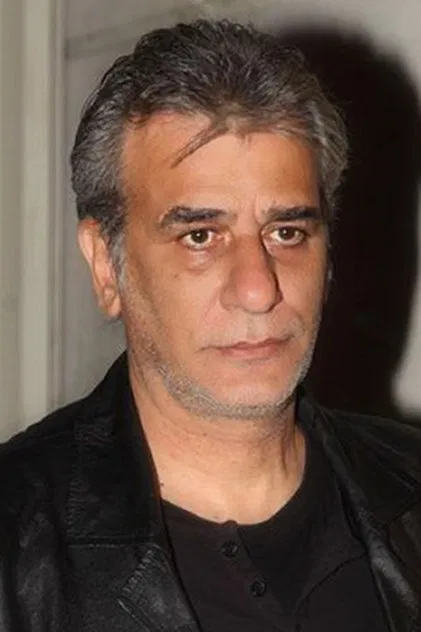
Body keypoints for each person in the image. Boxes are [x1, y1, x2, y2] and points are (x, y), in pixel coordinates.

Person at [0, 18, 420, 632]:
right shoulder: (15, 546)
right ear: (107, 267)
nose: (258, 288)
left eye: (287, 232)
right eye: (200, 236)